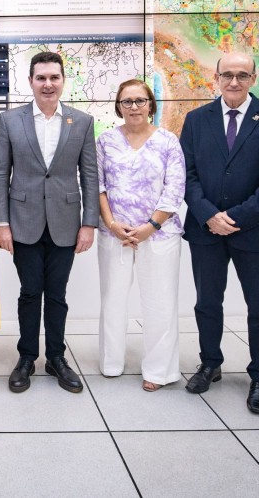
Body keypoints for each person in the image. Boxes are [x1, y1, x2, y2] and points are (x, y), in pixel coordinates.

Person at [179, 52, 259, 414]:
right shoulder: (197, 120)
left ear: (254, 79)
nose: (234, 81)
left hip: (256, 231)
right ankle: (210, 363)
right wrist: (209, 215)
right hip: (205, 230)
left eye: (242, 75)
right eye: (227, 74)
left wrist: (236, 216)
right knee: (207, 302)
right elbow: (186, 174)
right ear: (216, 78)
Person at [0, 50, 99, 394]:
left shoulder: (82, 121)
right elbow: (0, 175)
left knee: (57, 294)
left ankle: (56, 357)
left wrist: (89, 223)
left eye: (54, 77)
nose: (48, 84)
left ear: (63, 81)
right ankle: (26, 358)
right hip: (22, 222)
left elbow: (90, 176)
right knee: (29, 292)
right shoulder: (12, 121)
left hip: (66, 223)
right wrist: (1, 223)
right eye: (41, 78)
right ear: (30, 82)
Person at [96, 79, 185, 392]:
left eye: (140, 101)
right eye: (126, 101)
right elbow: (98, 186)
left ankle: (159, 371)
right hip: (114, 235)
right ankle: (111, 363)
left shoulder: (168, 141)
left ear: (151, 105)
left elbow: (175, 189)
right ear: (118, 106)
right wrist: (111, 223)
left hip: (159, 235)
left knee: (160, 303)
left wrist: (151, 226)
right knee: (112, 300)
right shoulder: (105, 141)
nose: (133, 107)